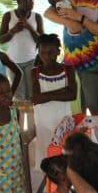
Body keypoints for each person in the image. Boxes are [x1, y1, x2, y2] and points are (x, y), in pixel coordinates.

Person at [31, 34, 76, 163]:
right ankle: (48, 181)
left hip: (62, 119)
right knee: (47, 153)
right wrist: (62, 91)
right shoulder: (35, 72)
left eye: (50, 52)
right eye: (42, 52)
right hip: (43, 121)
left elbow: (72, 95)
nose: (46, 56)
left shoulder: (68, 70)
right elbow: (36, 99)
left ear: (58, 51)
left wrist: (46, 96)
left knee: (64, 152)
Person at [0, 0, 43, 100]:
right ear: (18, 0)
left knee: (32, 95)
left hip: (31, 61)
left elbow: (42, 42)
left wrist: (29, 27)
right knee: (18, 97)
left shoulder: (37, 17)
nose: (31, 2)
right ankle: (19, 118)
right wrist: (13, 31)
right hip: (14, 62)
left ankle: (32, 119)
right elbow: (1, 40)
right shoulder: (8, 16)